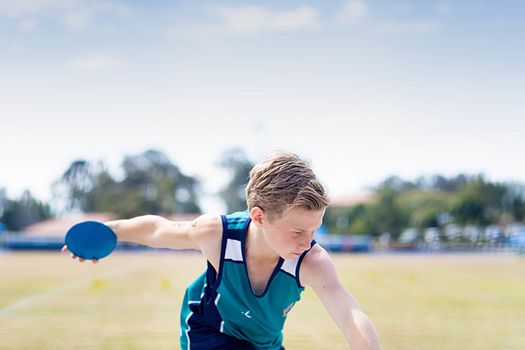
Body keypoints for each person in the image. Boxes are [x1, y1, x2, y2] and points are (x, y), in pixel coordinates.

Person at [62, 152, 381, 350]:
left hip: (262, 343)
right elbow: (158, 230)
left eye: (314, 229)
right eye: (298, 231)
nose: (308, 241)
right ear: (259, 216)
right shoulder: (218, 233)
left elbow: (350, 317)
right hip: (207, 331)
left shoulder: (311, 260)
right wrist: (109, 232)